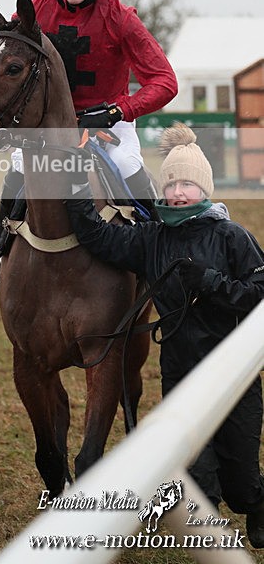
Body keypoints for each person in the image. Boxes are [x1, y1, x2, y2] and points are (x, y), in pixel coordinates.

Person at [65, 122, 264, 547]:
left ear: (205, 188)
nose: (177, 193)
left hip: (234, 376)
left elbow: (259, 296)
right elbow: (97, 235)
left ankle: (257, 504)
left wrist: (210, 282)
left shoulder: (233, 238)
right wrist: (76, 179)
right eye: (171, 184)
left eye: (187, 185)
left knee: (241, 481)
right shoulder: (152, 237)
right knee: (200, 483)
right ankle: (215, 546)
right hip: (180, 373)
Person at [0, 0, 178, 282]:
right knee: (19, 166)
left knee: (129, 163)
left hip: (109, 123)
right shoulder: (40, 6)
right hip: (51, 125)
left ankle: (163, 255)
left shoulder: (120, 17)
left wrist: (118, 110)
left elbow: (164, 81)